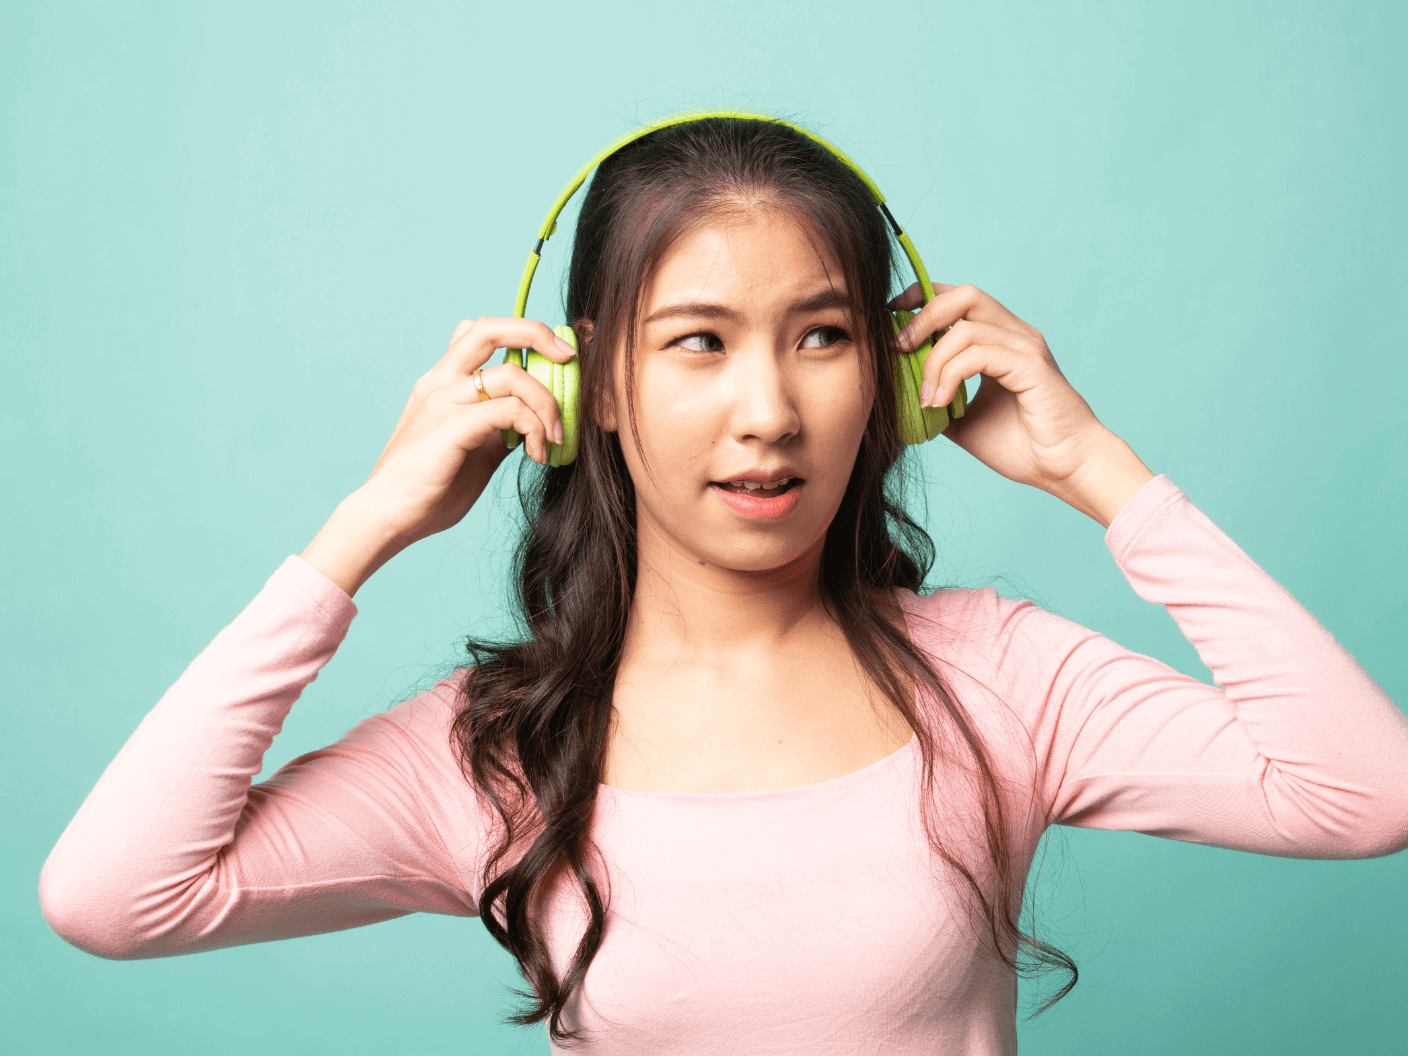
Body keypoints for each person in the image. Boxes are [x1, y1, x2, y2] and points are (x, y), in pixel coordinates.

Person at [39, 114, 1408, 1055]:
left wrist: (1103, 471)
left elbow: (1365, 795)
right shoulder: (503, 750)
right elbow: (113, 896)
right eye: (699, 342)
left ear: (891, 376)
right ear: (594, 388)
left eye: (820, 337)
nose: (770, 411)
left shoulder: (1002, 675)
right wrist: (361, 530)